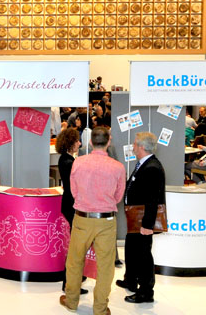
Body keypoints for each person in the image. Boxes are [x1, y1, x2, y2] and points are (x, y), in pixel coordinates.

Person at [60, 127, 125, 315]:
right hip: (106, 220)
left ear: (90, 142)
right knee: (105, 266)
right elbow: (118, 196)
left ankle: (71, 301)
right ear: (108, 142)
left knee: (75, 261)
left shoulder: (78, 163)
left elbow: (73, 191)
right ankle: (100, 308)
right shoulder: (118, 167)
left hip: (82, 218)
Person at [117, 132, 165, 304]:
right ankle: (131, 280)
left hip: (142, 220)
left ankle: (146, 291)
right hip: (134, 218)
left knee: (143, 255)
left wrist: (147, 225)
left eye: (135, 144)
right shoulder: (144, 164)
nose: (133, 147)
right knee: (131, 249)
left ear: (142, 147)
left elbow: (152, 200)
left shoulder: (152, 168)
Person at [54, 128, 87, 295]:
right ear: (70, 143)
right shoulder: (69, 162)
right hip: (72, 206)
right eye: (77, 141)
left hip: (69, 205)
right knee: (76, 247)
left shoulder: (66, 159)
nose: (79, 143)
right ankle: (69, 282)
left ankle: (73, 279)